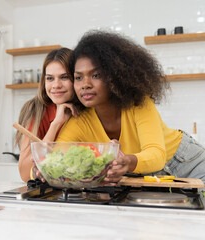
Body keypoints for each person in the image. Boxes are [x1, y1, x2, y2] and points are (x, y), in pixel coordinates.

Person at [56, 30, 205, 184]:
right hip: (149, 176)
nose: (85, 85)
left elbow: (157, 154)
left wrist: (127, 162)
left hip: (187, 163)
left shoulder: (138, 104)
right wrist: (40, 170)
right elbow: (56, 158)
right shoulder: (80, 121)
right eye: (79, 77)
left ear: (114, 76)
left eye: (96, 75)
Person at [15, 48, 84, 182]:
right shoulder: (35, 110)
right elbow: (24, 173)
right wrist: (55, 124)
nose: (56, 85)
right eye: (50, 78)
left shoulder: (88, 109)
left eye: (64, 77)